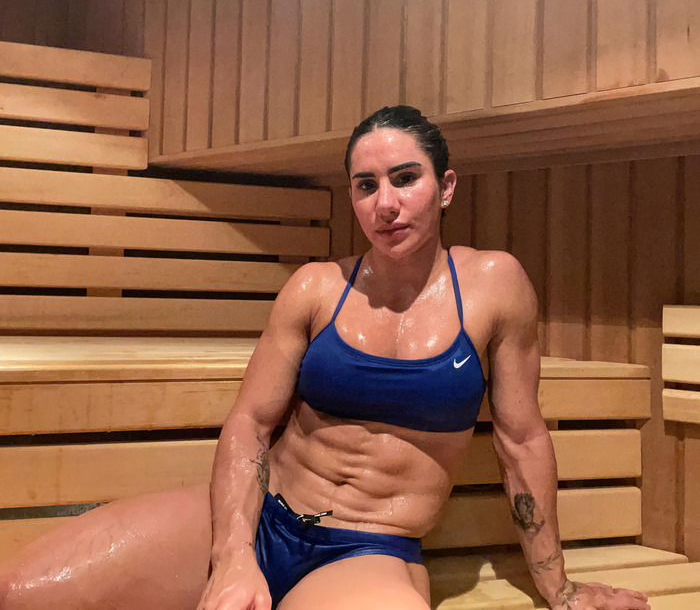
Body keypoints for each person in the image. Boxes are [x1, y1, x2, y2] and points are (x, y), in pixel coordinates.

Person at [1, 106, 650, 610]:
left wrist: (559, 588)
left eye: (405, 178)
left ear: (445, 186)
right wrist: (233, 556)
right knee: (19, 593)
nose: (386, 203)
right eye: (366, 186)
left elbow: (522, 440)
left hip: (367, 549)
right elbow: (251, 423)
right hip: (263, 516)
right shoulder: (317, 287)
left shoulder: (493, 287)